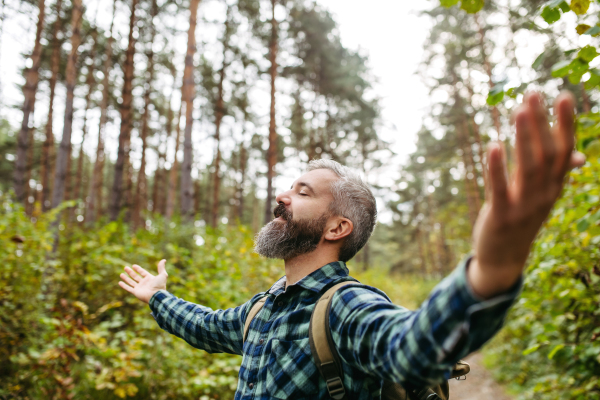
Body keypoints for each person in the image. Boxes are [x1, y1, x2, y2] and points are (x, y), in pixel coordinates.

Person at [118, 92, 586, 399]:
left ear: (337, 228)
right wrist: (157, 296)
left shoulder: (346, 306)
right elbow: (206, 327)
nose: (282, 196)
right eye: (290, 187)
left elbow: (411, 349)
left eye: (303, 192)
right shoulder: (263, 309)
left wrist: (491, 270)